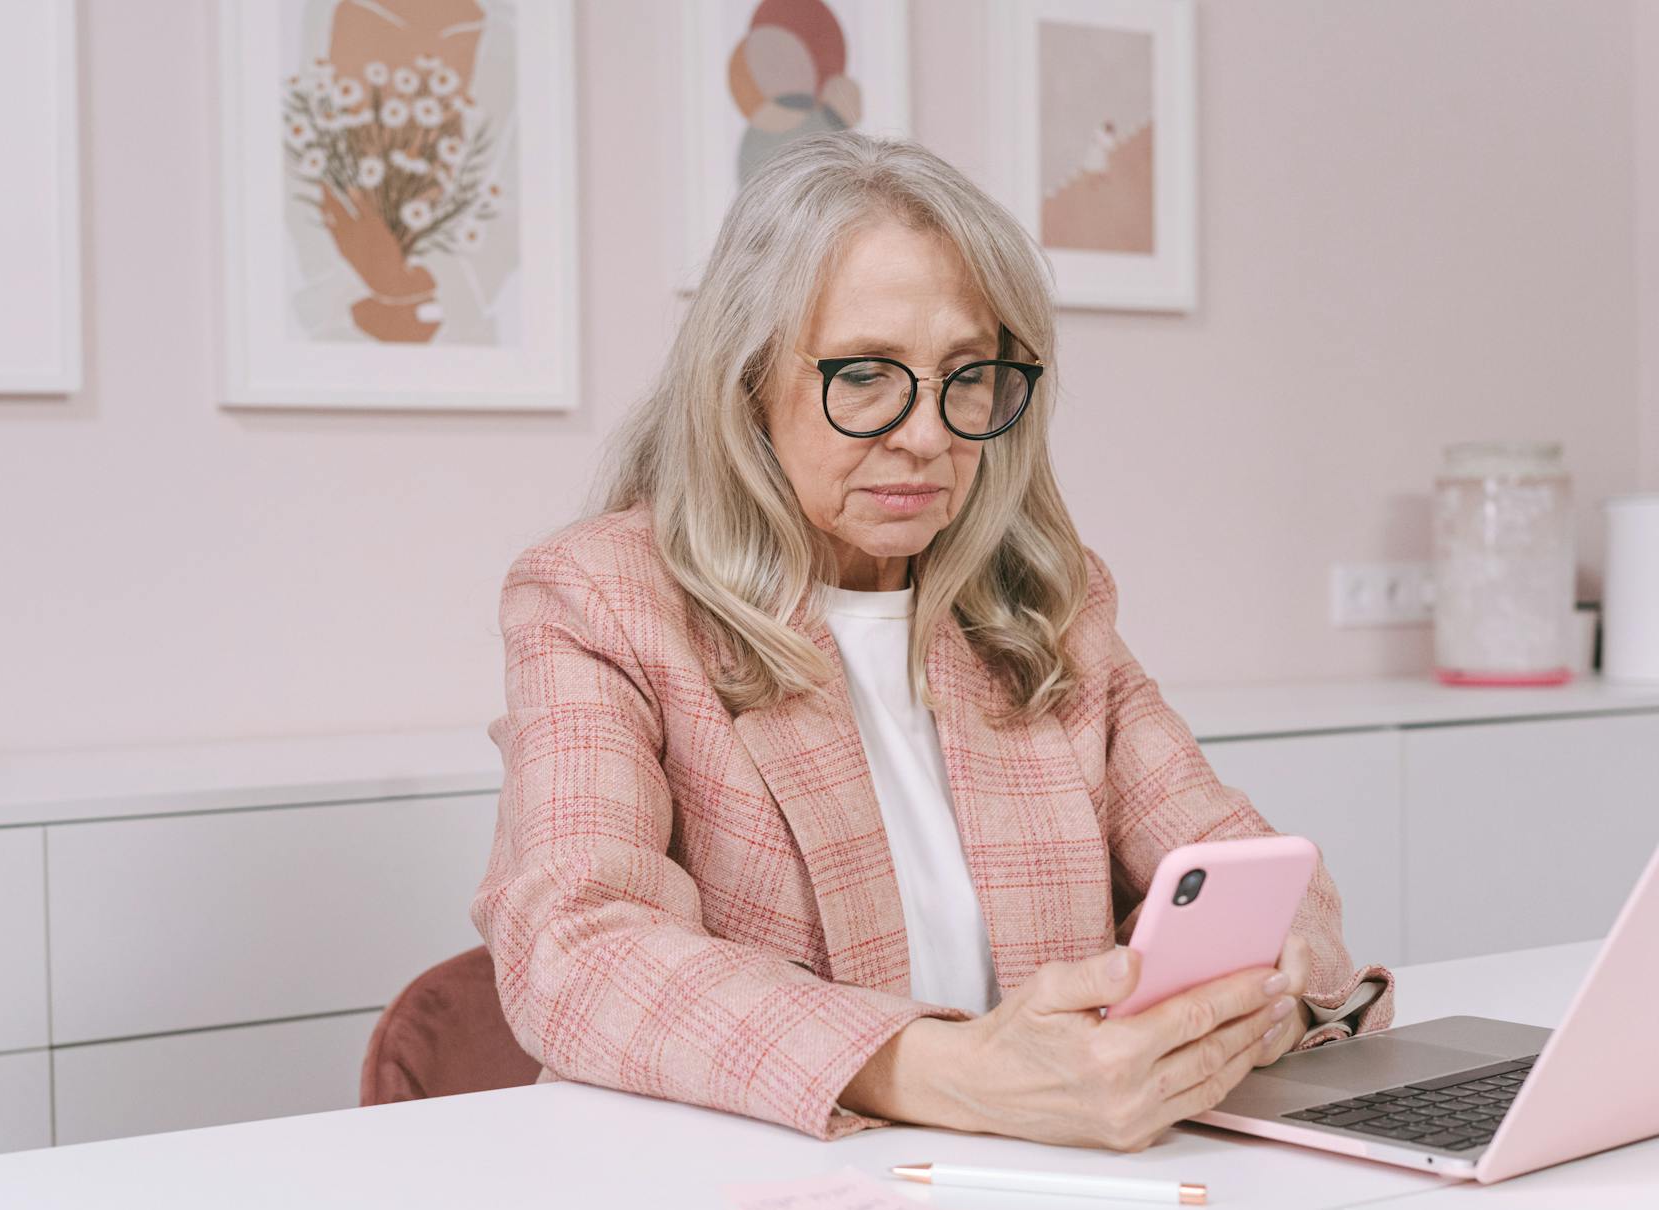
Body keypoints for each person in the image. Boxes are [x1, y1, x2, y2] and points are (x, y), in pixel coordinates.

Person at [471, 131, 1390, 1147]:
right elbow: (577, 945)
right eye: (865, 374)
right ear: (747, 383)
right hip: (756, 1198)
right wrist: (963, 1073)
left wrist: (1265, 989)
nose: (929, 434)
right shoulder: (601, 596)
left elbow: (1253, 869)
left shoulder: (1046, 603)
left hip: (1058, 1188)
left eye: (967, 374)